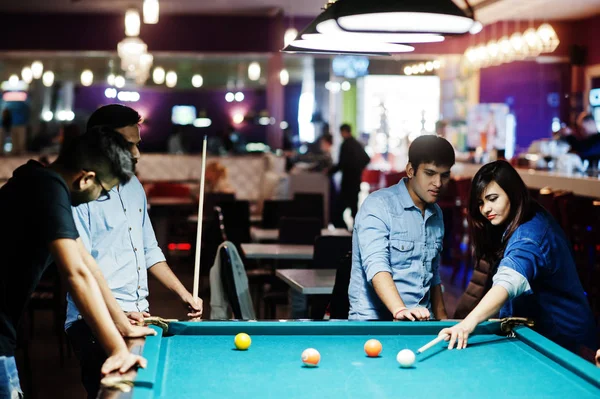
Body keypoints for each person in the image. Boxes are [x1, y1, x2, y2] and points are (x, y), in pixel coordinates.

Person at [0, 127, 155, 399]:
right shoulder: (48, 189)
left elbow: (88, 265)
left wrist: (124, 327)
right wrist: (118, 351)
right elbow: (77, 274)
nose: (101, 198)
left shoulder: (40, 180)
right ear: (86, 179)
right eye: (104, 191)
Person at [65, 105, 203, 399]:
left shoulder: (133, 186)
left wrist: (183, 294)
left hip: (137, 315)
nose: (137, 154)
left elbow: (149, 249)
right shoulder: (80, 191)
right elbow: (81, 268)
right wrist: (117, 316)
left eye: (137, 144)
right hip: (93, 321)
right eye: (128, 145)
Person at [439, 160, 597, 354]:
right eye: (481, 203)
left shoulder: (530, 236)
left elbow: (509, 281)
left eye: (493, 198)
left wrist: (467, 324)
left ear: (512, 194)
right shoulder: (509, 223)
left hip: (566, 344)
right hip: (539, 334)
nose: (486, 208)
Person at [349, 135, 455, 321]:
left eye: (444, 175)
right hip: (373, 324)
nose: (438, 183)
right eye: (430, 173)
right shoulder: (377, 206)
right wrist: (399, 310)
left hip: (421, 323)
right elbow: (376, 265)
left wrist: (444, 322)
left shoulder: (436, 214)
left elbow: (433, 275)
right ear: (410, 170)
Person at [329, 124, 370, 227]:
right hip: (356, 181)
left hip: (347, 182)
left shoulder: (345, 145)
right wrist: (357, 169)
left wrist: (329, 171)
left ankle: (344, 233)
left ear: (343, 132)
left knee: (337, 211)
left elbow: (342, 163)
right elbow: (367, 159)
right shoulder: (357, 144)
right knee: (354, 209)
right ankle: (355, 234)